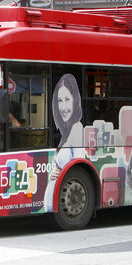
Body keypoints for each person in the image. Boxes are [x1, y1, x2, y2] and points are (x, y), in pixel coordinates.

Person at [44, 74, 85, 212]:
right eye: (60, 101)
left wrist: (60, 173)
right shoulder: (65, 133)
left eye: (67, 99)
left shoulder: (77, 128)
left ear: (75, 100)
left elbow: (80, 167)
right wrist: (53, 174)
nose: (63, 107)